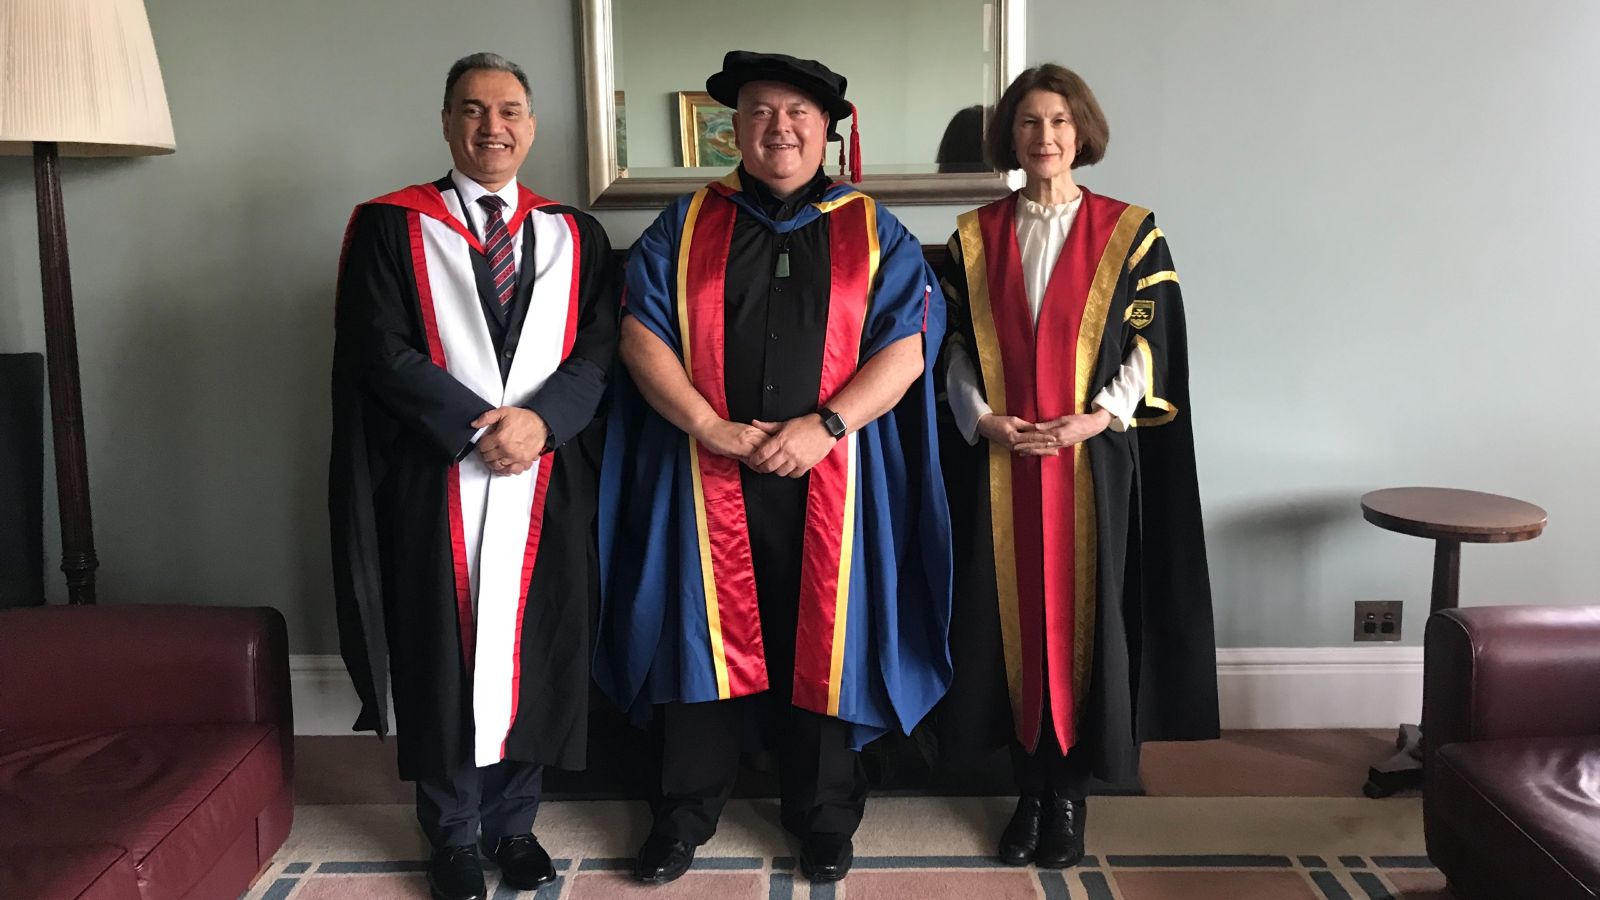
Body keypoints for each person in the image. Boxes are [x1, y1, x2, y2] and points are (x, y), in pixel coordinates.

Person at [594, 50, 952, 886]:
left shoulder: (873, 228)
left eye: (797, 112)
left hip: (833, 476)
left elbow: (907, 347)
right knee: (698, 637)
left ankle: (824, 816)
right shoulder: (684, 226)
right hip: (704, 469)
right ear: (735, 127)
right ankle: (683, 815)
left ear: (827, 128)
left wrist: (827, 426)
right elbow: (640, 333)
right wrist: (706, 424)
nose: (779, 127)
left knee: (822, 641)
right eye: (759, 111)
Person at [329, 52, 617, 900]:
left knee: (536, 647)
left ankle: (514, 824)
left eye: (510, 110)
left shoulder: (575, 233)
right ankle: (451, 834)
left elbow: (599, 350)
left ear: (532, 124)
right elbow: (378, 350)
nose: (492, 126)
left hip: (544, 478)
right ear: (447, 120)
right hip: (436, 479)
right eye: (473, 109)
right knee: (444, 653)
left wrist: (541, 424)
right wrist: (473, 428)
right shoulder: (390, 226)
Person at [936, 64, 1219, 869]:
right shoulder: (973, 236)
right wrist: (984, 420)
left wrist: (1094, 419)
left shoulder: (1130, 232)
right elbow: (951, 349)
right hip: (1000, 465)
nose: (1046, 137)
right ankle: (1028, 790)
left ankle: (1070, 799)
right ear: (1010, 136)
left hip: (1092, 468)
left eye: (1060, 121)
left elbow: (1149, 345)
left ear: (1082, 131)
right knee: (1004, 626)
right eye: (1029, 122)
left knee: (1088, 622)